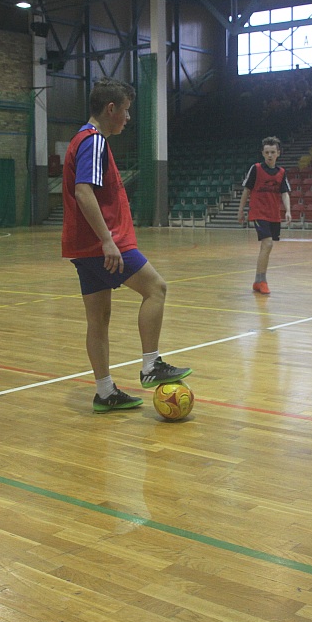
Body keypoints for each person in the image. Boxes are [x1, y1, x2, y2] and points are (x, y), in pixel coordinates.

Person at [62, 77, 191, 413]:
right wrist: (107, 240)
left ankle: (105, 392)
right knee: (156, 289)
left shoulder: (81, 139)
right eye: (126, 110)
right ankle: (151, 365)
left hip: (82, 247)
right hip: (101, 244)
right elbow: (83, 191)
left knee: (98, 319)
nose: (128, 118)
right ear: (111, 109)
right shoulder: (94, 141)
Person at [237, 136, 292, 295]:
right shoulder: (255, 169)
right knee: (267, 244)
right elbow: (247, 190)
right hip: (258, 212)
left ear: (278, 153)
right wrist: (241, 210)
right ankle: (261, 280)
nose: (269, 155)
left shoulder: (281, 172)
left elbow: (284, 193)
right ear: (262, 153)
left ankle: (257, 280)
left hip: (273, 214)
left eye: (272, 152)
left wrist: (288, 210)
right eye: (267, 152)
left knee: (267, 247)